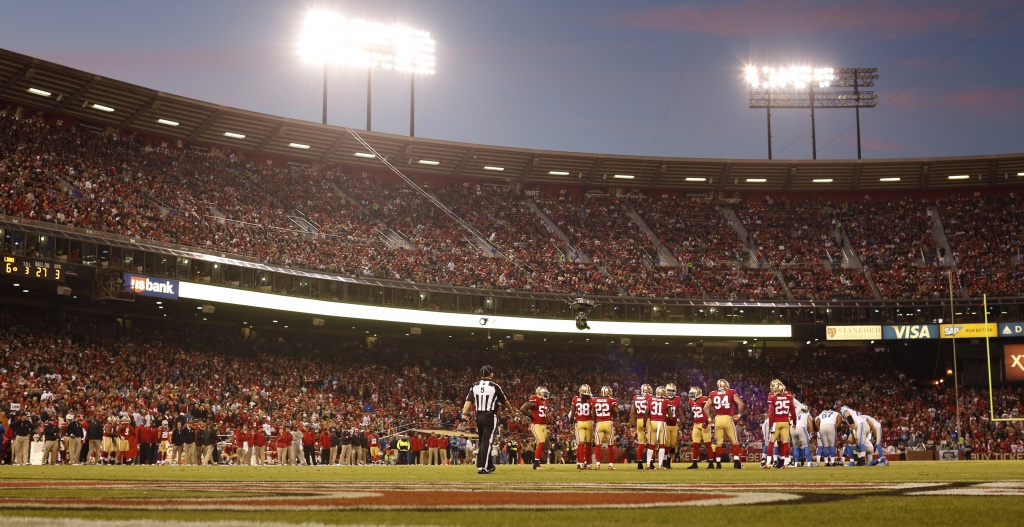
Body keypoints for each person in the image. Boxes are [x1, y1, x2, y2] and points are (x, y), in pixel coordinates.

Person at [460, 365, 515, 475]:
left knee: (482, 440)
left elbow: (468, 401)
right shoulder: (494, 386)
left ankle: (488, 465)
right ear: (491, 374)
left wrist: (464, 413)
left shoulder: (474, 386)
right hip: (490, 415)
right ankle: (483, 467)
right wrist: (510, 409)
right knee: (487, 441)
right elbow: (505, 401)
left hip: (479, 416)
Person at [703, 378, 745, 469]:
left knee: (718, 443)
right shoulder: (731, 392)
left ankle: (718, 463)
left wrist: (709, 418)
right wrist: (739, 415)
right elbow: (741, 404)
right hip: (727, 418)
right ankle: (737, 463)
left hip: (718, 419)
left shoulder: (713, 393)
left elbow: (705, 407)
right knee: (734, 441)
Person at [764, 379, 795, 469]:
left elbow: (771, 411)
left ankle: (782, 460)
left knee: (777, 441)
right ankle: (784, 460)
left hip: (778, 419)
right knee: (782, 441)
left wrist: (771, 423)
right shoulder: (788, 395)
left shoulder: (773, 396)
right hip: (785, 419)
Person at [520, 385, 551, 470]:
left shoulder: (546, 401)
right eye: (544, 393)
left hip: (543, 425)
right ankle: (536, 464)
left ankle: (537, 462)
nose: (546, 394)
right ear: (539, 393)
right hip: (536, 425)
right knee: (541, 442)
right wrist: (531, 416)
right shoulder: (535, 399)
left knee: (542, 444)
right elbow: (523, 408)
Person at [685, 386, 713, 470]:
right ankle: (694, 463)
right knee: (695, 445)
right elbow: (694, 411)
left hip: (704, 424)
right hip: (696, 424)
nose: (691, 396)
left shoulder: (704, 399)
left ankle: (711, 463)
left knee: (708, 444)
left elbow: (712, 411)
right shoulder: (690, 401)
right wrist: (690, 416)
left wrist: (708, 421)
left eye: (692, 394)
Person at [591, 385, 619, 470]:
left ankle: (598, 464)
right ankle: (610, 464)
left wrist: (595, 421)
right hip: (608, 423)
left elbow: (593, 412)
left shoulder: (595, 400)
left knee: (598, 444)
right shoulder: (611, 400)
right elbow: (615, 411)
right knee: (610, 444)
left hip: (599, 423)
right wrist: (616, 414)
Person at [568, 384, 595, 470]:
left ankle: (580, 463)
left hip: (579, 422)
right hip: (589, 422)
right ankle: (588, 464)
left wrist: (572, 422)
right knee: (588, 444)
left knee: (580, 443)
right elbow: (594, 414)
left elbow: (572, 414)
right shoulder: (592, 400)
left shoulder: (575, 399)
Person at [643, 386, 669, 469]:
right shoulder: (666, 401)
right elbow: (671, 416)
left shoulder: (651, 399)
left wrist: (644, 425)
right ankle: (660, 465)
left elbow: (646, 413)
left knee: (651, 444)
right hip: (662, 423)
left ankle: (647, 464)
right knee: (662, 444)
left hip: (653, 422)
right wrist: (666, 416)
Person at [628, 384, 653, 469]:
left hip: (638, 420)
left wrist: (632, 425)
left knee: (640, 443)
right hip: (647, 420)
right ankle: (651, 463)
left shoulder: (636, 398)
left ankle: (639, 463)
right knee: (651, 442)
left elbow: (632, 413)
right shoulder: (650, 398)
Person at [663, 383, 682, 469]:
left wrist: (681, 421)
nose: (670, 393)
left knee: (673, 445)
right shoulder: (662, 399)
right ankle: (664, 462)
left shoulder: (678, 400)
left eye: (672, 391)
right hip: (665, 424)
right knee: (666, 444)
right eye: (669, 391)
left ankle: (668, 460)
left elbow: (679, 411)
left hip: (674, 425)